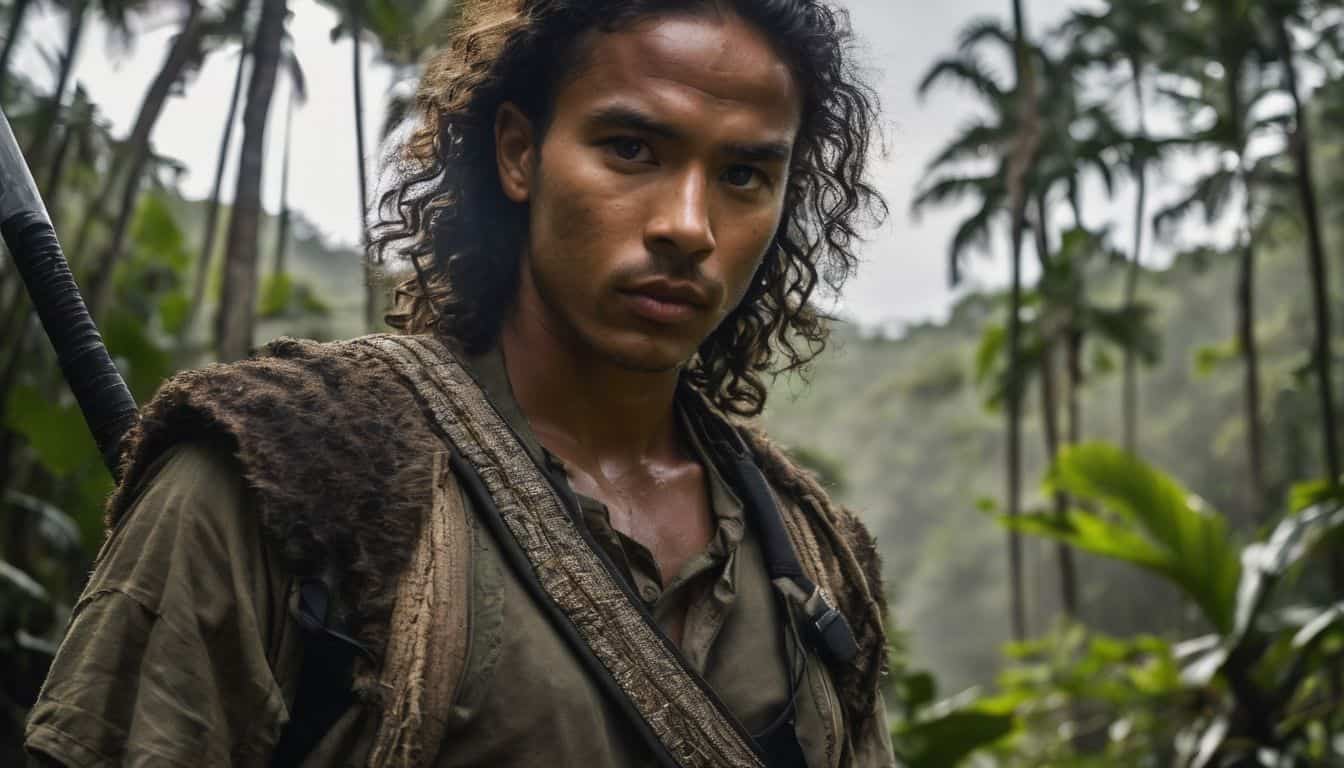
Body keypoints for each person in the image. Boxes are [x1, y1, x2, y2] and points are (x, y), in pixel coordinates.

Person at [25, 0, 895, 765]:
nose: (687, 226)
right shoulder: (283, 478)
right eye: (631, 148)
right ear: (520, 153)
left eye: (744, 175)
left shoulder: (816, 560)